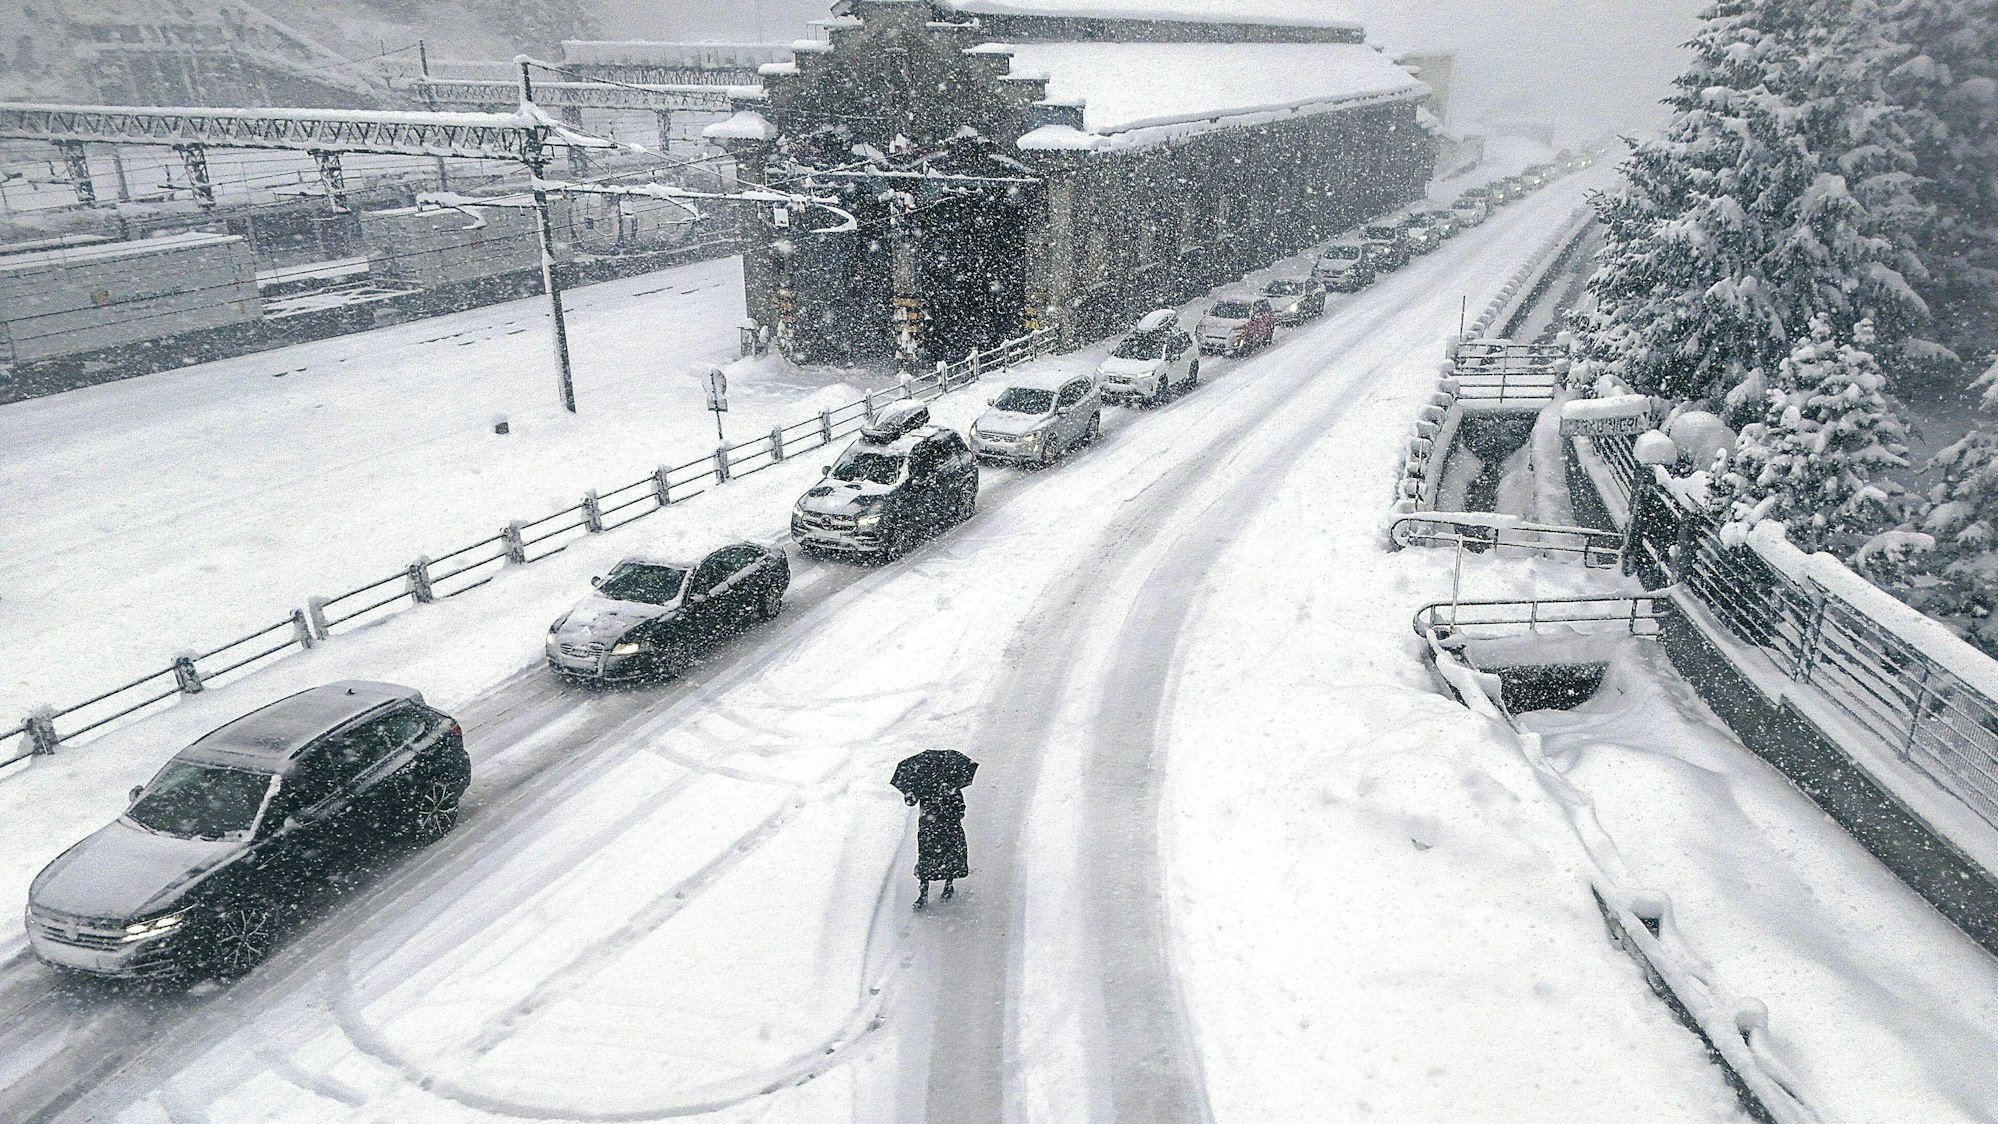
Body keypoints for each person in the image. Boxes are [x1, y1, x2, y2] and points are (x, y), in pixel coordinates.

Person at [908, 786, 969, 910]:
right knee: (926, 860)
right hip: (929, 829)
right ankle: (924, 893)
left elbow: (961, 809)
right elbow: (910, 801)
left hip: (947, 828)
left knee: (950, 858)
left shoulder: (950, 785)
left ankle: (948, 885)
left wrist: (947, 809)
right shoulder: (924, 784)